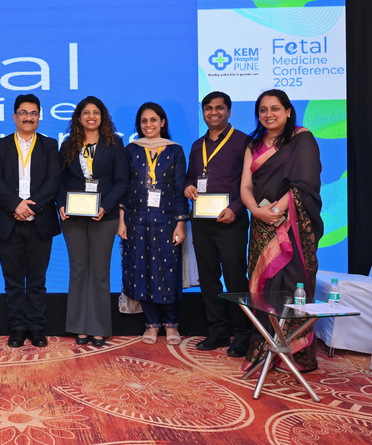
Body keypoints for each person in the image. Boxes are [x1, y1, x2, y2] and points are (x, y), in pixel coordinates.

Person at [240, 89, 322, 372]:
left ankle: (297, 351)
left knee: (292, 283)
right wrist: (256, 211)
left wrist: (277, 210)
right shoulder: (253, 144)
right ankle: (266, 346)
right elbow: (245, 185)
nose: (269, 114)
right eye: (263, 110)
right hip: (261, 223)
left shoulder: (302, 138)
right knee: (263, 285)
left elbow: (305, 183)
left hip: (292, 223)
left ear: (288, 111)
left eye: (275, 108)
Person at [0, 94, 61, 348]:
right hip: (9, 222)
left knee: (38, 281)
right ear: (14, 116)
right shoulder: (0, 145)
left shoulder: (49, 145)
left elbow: (53, 180)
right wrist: (16, 205)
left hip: (40, 221)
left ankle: (37, 328)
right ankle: (18, 328)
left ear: (39, 117)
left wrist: (32, 207)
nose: (28, 118)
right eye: (23, 113)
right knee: (14, 281)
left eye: (33, 113)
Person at [184, 91, 252, 357]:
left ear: (229, 111)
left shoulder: (244, 142)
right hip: (202, 222)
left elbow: (253, 184)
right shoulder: (196, 145)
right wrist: (188, 187)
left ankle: (242, 334)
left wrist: (235, 209)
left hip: (231, 221)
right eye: (208, 108)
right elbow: (190, 178)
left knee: (235, 278)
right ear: (203, 112)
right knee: (208, 278)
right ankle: (217, 331)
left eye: (219, 108)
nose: (214, 112)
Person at [57, 96, 127, 347]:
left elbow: (122, 181)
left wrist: (105, 206)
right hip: (73, 217)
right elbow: (59, 180)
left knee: (99, 271)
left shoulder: (114, 144)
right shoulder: (68, 145)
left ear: (102, 116)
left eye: (96, 112)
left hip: (104, 216)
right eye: (86, 112)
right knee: (78, 270)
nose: (91, 117)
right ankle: (78, 326)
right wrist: (61, 204)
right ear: (78, 117)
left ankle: (98, 328)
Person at [118, 102, 188, 345]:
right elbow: (124, 187)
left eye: (153, 120)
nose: (148, 125)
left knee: (167, 271)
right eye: (144, 121)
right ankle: (151, 324)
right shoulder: (131, 150)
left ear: (162, 122)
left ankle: (171, 324)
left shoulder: (175, 150)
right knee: (142, 270)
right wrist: (121, 221)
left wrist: (181, 223)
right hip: (136, 220)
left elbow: (179, 189)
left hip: (167, 221)